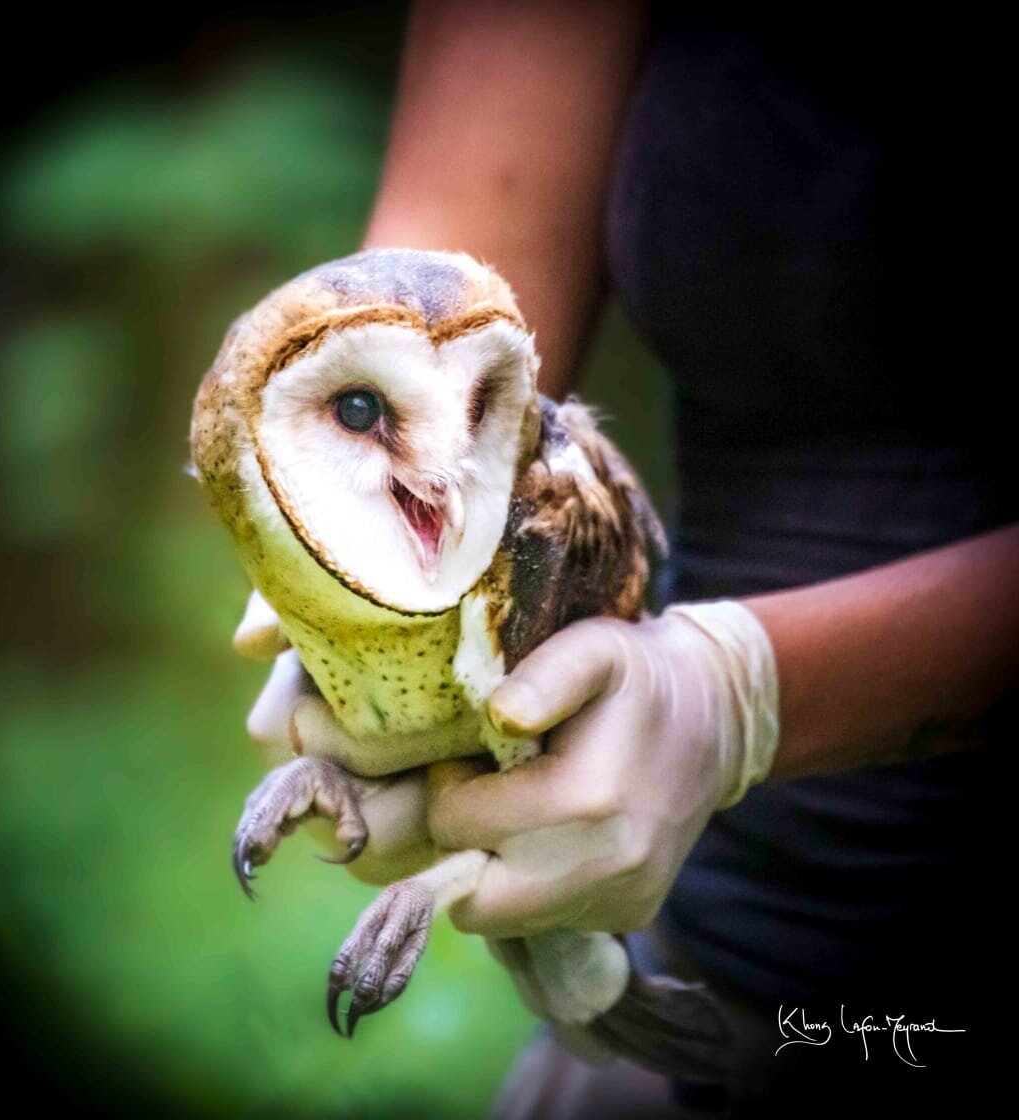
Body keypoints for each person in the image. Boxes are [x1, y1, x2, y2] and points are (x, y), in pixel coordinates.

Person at [237, 2, 1017, 1114]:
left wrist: (741, 693)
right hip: (715, 957)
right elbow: (429, 298)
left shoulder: (572, 501)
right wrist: (339, 558)